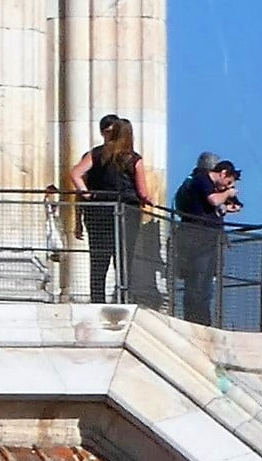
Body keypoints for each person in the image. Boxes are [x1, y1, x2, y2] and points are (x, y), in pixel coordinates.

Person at [76, 110, 152, 307]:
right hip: (127, 213)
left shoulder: (96, 154)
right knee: (123, 259)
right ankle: (123, 300)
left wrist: (86, 194)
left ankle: (97, 302)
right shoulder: (134, 159)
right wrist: (147, 200)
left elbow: (75, 173)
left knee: (98, 260)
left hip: (98, 211)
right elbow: (142, 191)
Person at [168, 151, 240, 325]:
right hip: (197, 240)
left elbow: (212, 208)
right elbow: (213, 201)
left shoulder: (202, 184)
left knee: (205, 283)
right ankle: (196, 320)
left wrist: (227, 207)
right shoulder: (200, 180)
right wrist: (227, 194)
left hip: (208, 239)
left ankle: (202, 319)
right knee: (197, 282)